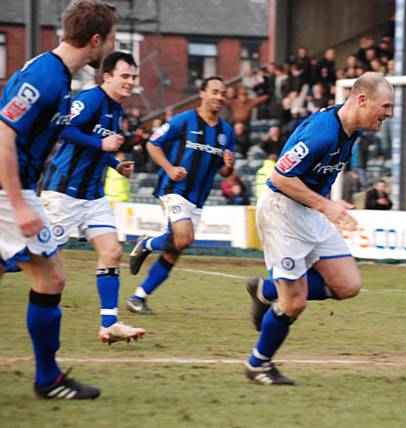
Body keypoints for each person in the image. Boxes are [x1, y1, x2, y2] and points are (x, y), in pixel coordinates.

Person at [243, 72, 393, 385]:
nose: (389, 113)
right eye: (386, 106)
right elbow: (280, 178)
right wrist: (327, 206)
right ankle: (259, 364)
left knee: (347, 286)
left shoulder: (352, 130)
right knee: (293, 303)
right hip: (282, 212)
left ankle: (266, 289)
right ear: (362, 100)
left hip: (310, 211)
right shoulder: (322, 133)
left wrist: (323, 207)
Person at [0, 0, 117, 399]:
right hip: (6, 191)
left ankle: (48, 377)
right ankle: (48, 379)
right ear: (96, 39)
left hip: (14, 189)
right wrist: (17, 202)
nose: (112, 47)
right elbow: (3, 134)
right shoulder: (46, 77)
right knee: (51, 277)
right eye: (112, 39)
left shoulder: (57, 74)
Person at [40, 51, 145, 345]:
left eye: (133, 77)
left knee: (111, 252)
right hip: (64, 193)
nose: (130, 82)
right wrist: (102, 143)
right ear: (107, 76)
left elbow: (100, 147)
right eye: (124, 76)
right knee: (37, 257)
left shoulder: (117, 108)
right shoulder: (90, 99)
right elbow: (62, 128)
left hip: (93, 195)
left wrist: (116, 163)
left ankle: (109, 324)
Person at [126, 76, 235, 314]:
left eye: (223, 93)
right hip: (175, 191)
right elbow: (152, 144)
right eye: (214, 91)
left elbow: (225, 172)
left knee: (175, 250)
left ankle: (138, 298)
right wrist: (169, 168)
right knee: (184, 239)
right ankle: (147, 243)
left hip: (198, 198)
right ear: (203, 94)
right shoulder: (183, 120)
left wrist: (229, 165)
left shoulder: (226, 131)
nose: (219, 97)